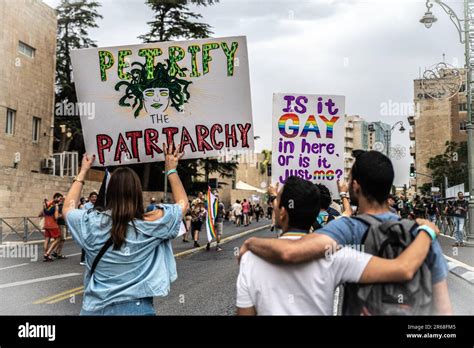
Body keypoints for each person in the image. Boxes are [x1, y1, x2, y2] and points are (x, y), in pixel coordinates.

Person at [239, 150, 452, 315]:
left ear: (356, 187)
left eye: (350, 180)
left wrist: (251, 243)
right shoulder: (420, 233)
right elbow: (444, 309)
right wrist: (426, 231)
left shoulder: (346, 228)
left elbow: (293, 250)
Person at [63, 143, 187, 315]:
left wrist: (83, 171)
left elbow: (67, 209)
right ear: (137, 192)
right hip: (136, 309)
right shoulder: (151, 224)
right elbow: (182, 204)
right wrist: (171, 169)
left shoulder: (91, 222)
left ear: (109, 192)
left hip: (96, 308)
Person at [41, 193, 62, 262]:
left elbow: (42, 213)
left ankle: (46, 255)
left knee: (47, 239)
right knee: (58, 238)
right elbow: (56, 217)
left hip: (46, 224)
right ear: (56, 197)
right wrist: (61, 215)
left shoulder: (48, 204)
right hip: (53, 225)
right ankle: (47, 253)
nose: (60, 200)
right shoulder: (56, 206)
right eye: (59, 198)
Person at [80, 191, 98, 266]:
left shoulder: (99, 205)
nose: (94, 198)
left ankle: (92, 258)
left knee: (94, 243)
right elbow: (82, 215)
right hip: (87, 226)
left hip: (96, 226)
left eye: (95, 197)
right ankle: (83, 259)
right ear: (90, 198)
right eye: (93, 197)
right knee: (86, 242)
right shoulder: (86, 205)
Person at [51, 194, 68, 260]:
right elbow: (58, 215)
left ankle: (57, 253)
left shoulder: (64, 206)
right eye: (64, 199)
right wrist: (63, 215)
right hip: (61, 224)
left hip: (64, 224)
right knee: (62, 239)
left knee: (62, 239)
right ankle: (56, 252)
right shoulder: (61, 206)